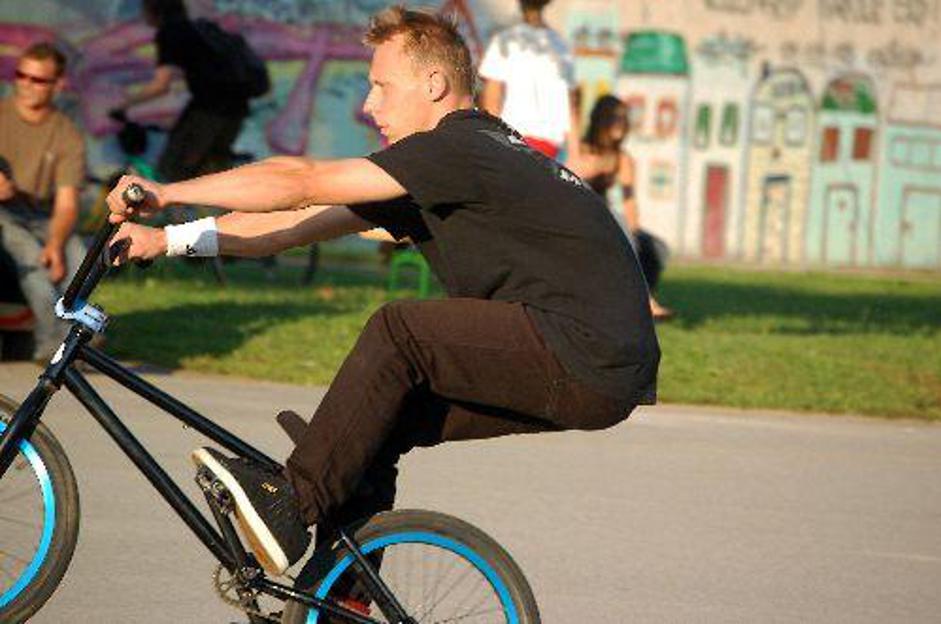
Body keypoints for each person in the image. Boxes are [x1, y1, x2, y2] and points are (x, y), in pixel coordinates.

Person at [107, 6, 660, 577]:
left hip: (586, 349)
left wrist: (167, 192)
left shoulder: (459, 148)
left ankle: (289, 504)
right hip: (598, 364)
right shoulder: (451, 165)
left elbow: (302, 182)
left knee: (401, 331)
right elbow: (294, 222)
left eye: (381, 86)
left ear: (434, 84)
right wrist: (165, 240)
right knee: (375, 429)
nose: (369, 105)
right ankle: (341, 599)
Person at [0, 43, 87, 362]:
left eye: (37, 80)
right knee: (30, 255)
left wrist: (55, 243)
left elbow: (67, 204)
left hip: (45, 216)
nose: (25, 84)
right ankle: (53, 343)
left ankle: (78, 338)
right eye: (21, 75)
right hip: (4, 215)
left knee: (79, 258)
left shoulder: (67, 134)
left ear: (57, 85)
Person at [115, 0, 249, 182]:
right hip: (235, 110)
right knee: (211, 171)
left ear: (155, 11)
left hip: (209, 110)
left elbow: (160, 85)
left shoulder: (171, 32)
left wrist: (123, 106)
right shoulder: (198, 30)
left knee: (173, 172)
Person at [568, 95, 674, 320]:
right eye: (616, 118)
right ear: (601, 120)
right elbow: (575, 172)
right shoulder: (582, 149)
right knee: (617, 222)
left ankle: (638, 300)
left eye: (625, 119)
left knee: (657, 248)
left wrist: (635, 234)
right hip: (579, 215)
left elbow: (629, 199)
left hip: (604, 219)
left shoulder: (622, 159)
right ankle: (644, 301)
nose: (621, 124)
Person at [478, 0, 580, 160]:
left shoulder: (504, 41)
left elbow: (493, 99)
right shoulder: (561, 46)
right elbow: (570, 107)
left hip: (513, 146)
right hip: (551, 151)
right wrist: (575, 154)